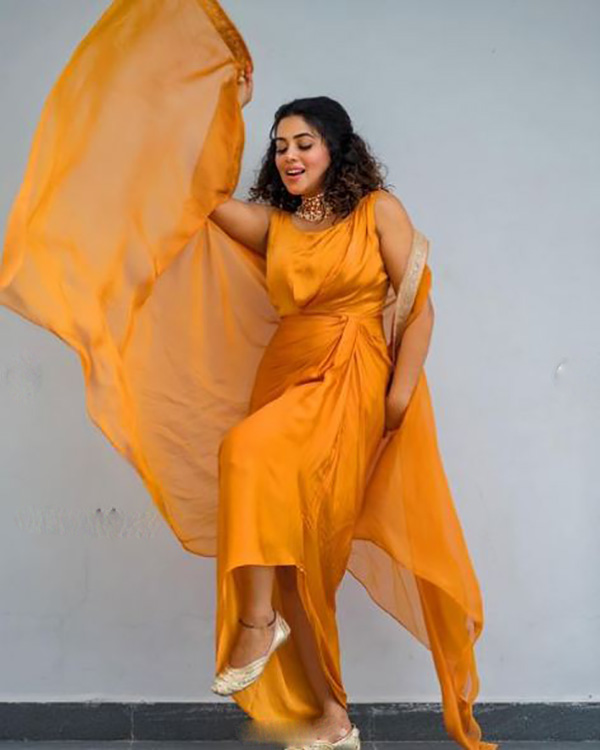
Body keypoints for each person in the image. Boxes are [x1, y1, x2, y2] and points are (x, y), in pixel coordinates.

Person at [0, 3, 497, 750]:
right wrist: (218, 99)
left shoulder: (378, 212)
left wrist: (397, 396)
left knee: (246, 453)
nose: (290, 155)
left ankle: (256, 624)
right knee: (298, 557)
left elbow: (419, 309)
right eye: (280, 145)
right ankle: (332, 717)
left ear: (335, 148)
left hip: (353, 379)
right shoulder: (276, 227)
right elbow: (197, 198)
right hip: (286, 374)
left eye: (304, 142)